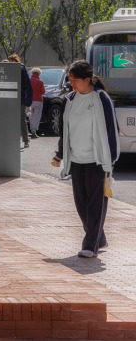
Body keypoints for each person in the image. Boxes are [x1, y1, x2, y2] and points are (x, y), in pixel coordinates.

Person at [52, 60, 119, 258]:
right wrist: (60, 154)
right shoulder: (70, 99)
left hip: (97, 159)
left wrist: (111, 158)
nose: (71, 83)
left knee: (95, 204)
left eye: (75, 80)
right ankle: (99, 237)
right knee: (81, 205)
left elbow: (111, 130)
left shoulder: (101, 98)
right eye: (70, 79)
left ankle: (90, 245)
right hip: (77, 159)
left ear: (87, 80)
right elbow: (66, 130)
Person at [8, 54, 33, 148]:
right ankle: (13, 140)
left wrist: (28, 101)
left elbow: (28, 86)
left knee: (22, 120)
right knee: (11, 120)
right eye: (9, 61)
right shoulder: (8, 70)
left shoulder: (22, 70)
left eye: (12, 61)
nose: (11, 63)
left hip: (20, 99)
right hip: (10, 98)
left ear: (16, 61)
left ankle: (26, 140)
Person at [29, 67, 46, 138]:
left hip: (29, 101)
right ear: (39, 74)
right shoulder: (40, 81)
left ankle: (30, 129)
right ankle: (34, 131)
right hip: (38, 101)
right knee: (36, 116)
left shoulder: (28, 80)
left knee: (30, 116)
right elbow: (43, 92)